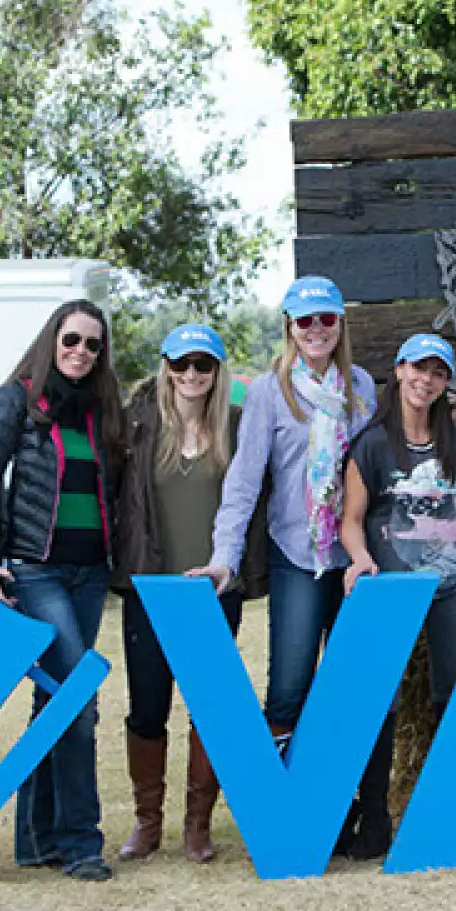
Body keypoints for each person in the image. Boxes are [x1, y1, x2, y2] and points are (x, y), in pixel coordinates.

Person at [0, 299, 124, 882]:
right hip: (36, 570)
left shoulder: (101, 413)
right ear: (52, 339)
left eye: (93, 345)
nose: (81, 352)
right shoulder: (14, 402)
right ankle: (80, 842)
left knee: (53, 701)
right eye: (72, 339)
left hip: (89, 573)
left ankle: (35, 838)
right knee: (78, 693)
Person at [188, 276, 375, 766]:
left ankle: (343, 804)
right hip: (298, 552)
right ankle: (285, 807)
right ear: (290, 327)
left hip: (356, 556)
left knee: (352, 685)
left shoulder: (361, 387)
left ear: (340, 323)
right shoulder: (269, 392)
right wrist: (223, 557)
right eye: (305, 320)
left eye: (326, 318)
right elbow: (244, 482)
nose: (317, 329)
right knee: (290, 684)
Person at [113, 324, 265, 864]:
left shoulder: (239, 427)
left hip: (214, 588)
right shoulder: (139, 424)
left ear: (218, 370)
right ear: (167, 366)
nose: (192, 374)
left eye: (204, 364)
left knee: (210, 707)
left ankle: (197, 825)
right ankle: (146, 822)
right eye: (182, 363)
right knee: (147, 708)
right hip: (151, 588)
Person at [339, 333, 456, 860]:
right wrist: (360, 559)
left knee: (454, 698)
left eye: (438, 372)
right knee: (382, 699)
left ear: (447, 383)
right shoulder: (372, 443)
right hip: (393, 587)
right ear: (398, 371)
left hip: (455, 584)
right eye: (418, 368)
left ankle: (451, 813)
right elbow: (351, 522)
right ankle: (374, 817)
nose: (427, 380)